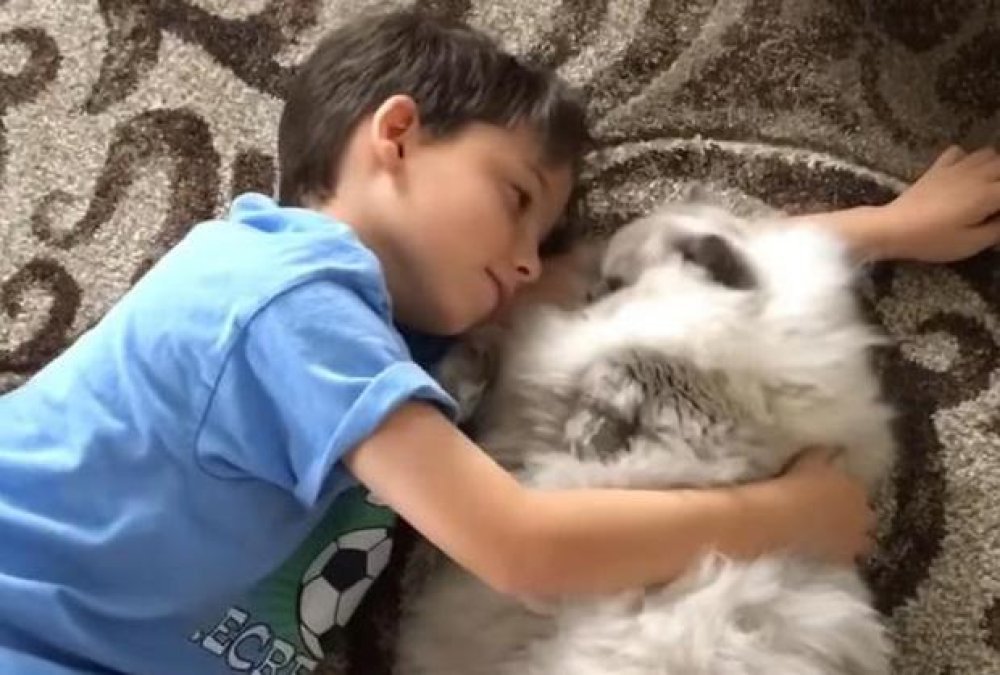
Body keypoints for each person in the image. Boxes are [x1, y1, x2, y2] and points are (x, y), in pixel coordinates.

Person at [0, 9, 998, 675]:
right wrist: (781, 515)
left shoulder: (405, 340)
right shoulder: (282, 292)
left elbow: (654, 273)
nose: (526, 261)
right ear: (396, 135)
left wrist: (885, 228)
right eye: (514, 199)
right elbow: (521, 546)